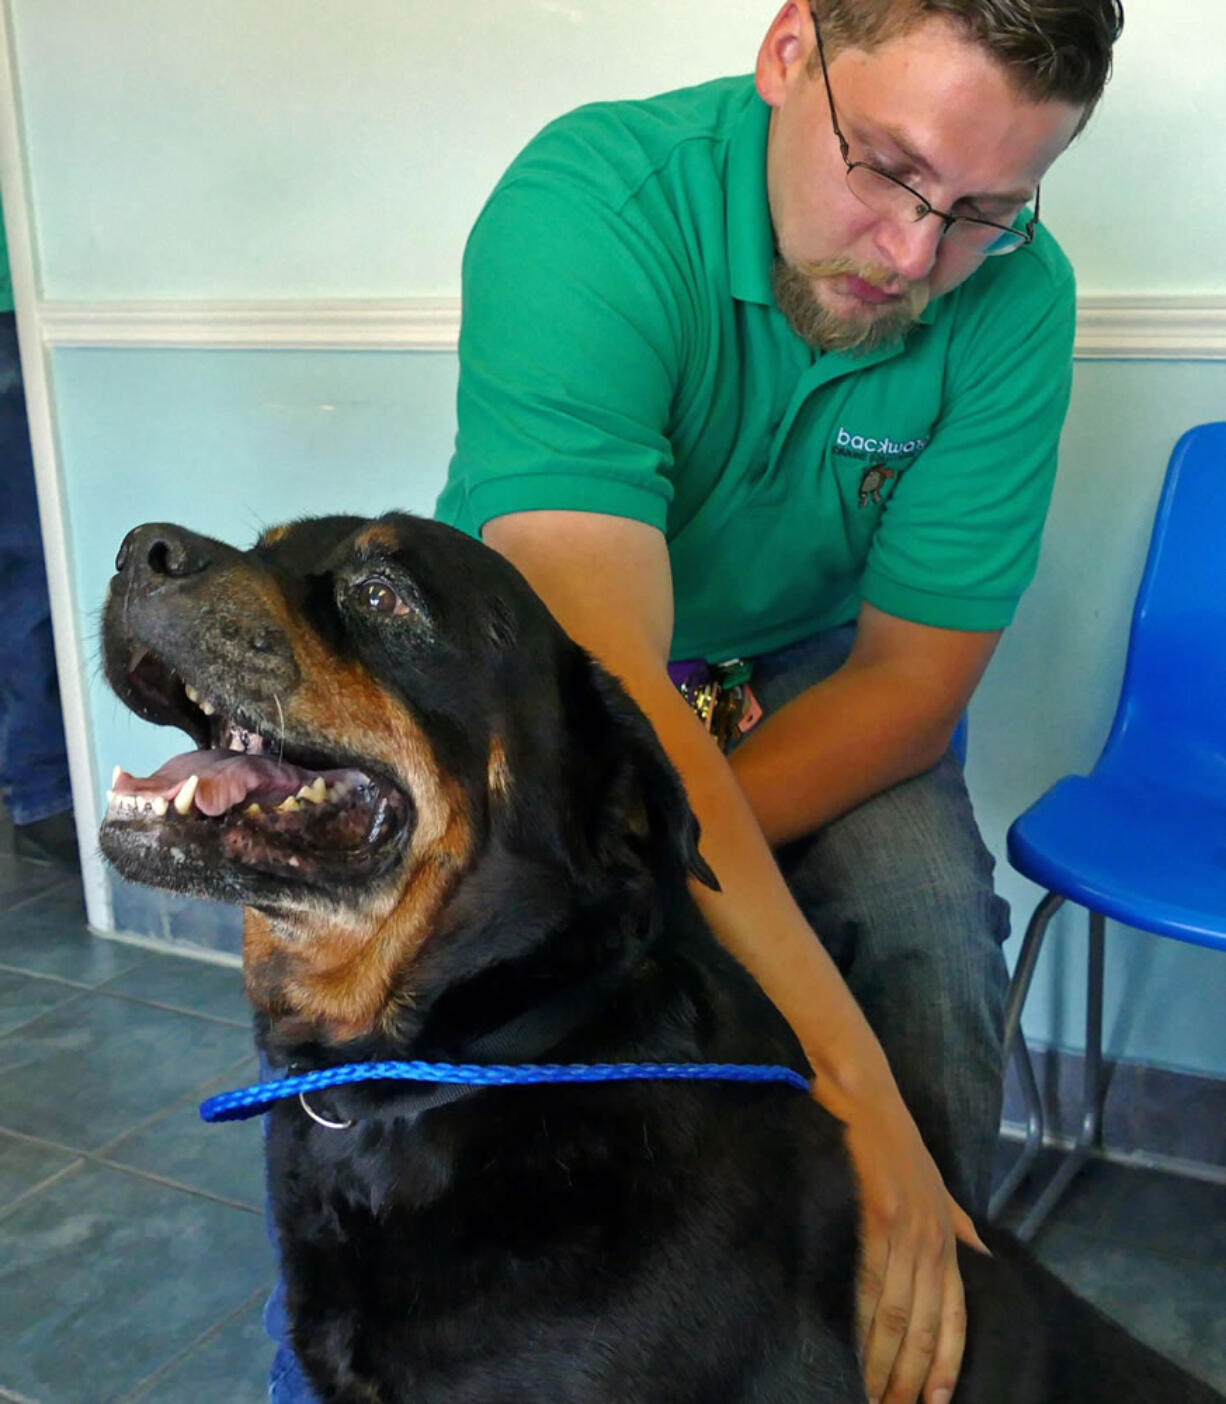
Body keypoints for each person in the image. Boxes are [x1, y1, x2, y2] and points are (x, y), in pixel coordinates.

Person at [266, 2, 1123, 1400]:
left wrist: (658, 861)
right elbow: (607, 696)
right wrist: (838, 1083)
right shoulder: (594, 204)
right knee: (441, 972)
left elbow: (907, 687)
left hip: (801, 668)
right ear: (790, 52)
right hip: (547, 668)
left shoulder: (1018, 299)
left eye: (982, 210)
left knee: (921, 941)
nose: (914, 256)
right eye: (887, 171)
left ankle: (898, 1322)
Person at [0, 202, 77, 868]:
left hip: (22, 296)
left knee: (30, 563)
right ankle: (43, 786)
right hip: (14, 307)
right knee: (29, 565)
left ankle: (43, 787)